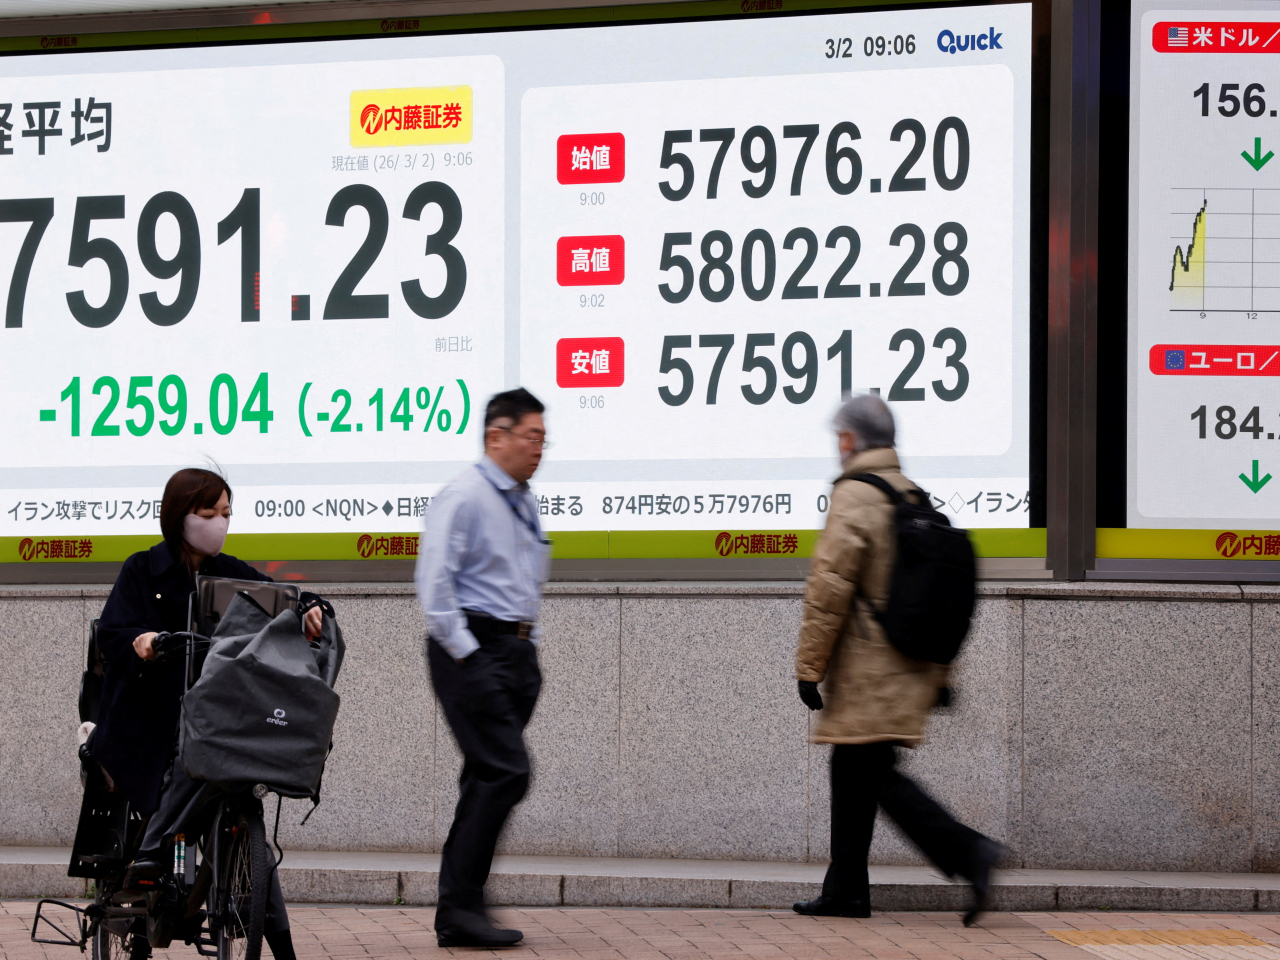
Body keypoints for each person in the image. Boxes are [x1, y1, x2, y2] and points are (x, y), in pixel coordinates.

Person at [91, 467, 322, 960]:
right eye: (208, 513)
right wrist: (145, 642)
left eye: (227, 513)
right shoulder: (141, 570)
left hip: (217, 716)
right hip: (148, 718)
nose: (220, 523)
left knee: (238, 799)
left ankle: (278, 944)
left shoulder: (233, 572)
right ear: (180, 516)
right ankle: (153, 852)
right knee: (190, 753)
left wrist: (305, 610)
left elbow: (280, 600)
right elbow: (112, 634)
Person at [793, 394, 1002, 926]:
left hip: (871, 670)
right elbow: (934, 594)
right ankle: (844, 891)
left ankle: (967, 851)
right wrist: (943, 675)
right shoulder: (910, 494)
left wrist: (808, 667)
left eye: (838, 436)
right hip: (910, 663)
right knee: (853, 768)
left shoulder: (855, 495)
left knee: (871, 773)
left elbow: (830, 587)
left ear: (848, 439)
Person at [416, 387, 550, 949]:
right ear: (497, 435)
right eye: (531, 436)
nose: (539, 448)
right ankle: (458, 906)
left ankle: (463, 906)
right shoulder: (464, 496)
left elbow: (522, 579)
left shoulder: (523, 499)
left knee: (485, 775)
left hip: (514, 653)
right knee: (505, 771)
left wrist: (529, 647)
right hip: (471, 649)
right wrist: (469, 657)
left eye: (543, 438)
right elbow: (435, 584)